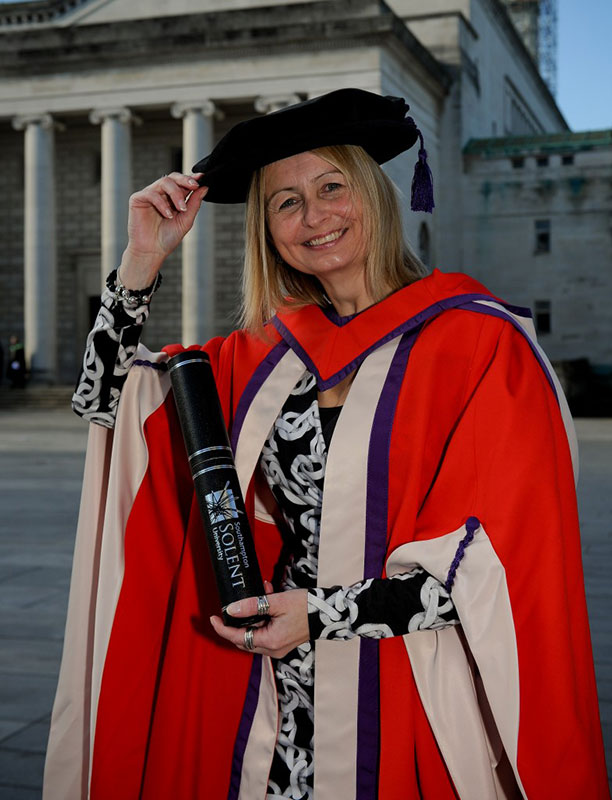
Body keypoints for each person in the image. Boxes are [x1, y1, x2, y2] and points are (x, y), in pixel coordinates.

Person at [44, 90, 609, 799]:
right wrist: (141, 260)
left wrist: (323, 614)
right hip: (277, 697)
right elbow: (103, 402)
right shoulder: (260, 360)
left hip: (416, 686)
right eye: (285, 202)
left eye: (332, 187)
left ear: (372, 192)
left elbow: (504, 564)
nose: (314, 217)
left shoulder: (480, 345)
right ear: (267, 229)